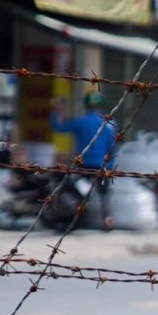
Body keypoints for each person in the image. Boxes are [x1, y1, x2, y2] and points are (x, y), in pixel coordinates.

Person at [49, 92, 117, 230]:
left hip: (84, 164)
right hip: (102, 164)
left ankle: (81, 215)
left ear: (85, 105)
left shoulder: (80, 121)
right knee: (104, 194)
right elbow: (113, 147)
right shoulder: (109, 124)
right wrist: (110, 165)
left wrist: (56, 113)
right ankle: (107, 220)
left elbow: (60, 128)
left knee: (75, 188)